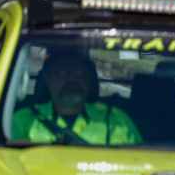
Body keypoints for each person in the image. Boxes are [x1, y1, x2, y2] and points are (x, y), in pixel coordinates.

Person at [11, 49, 142, 146]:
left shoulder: (116, 120)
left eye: (79, 74)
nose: (71, 80)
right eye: (62, 74)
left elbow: (138, 163)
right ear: (47, 80)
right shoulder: (23, 120)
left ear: (89, 80)